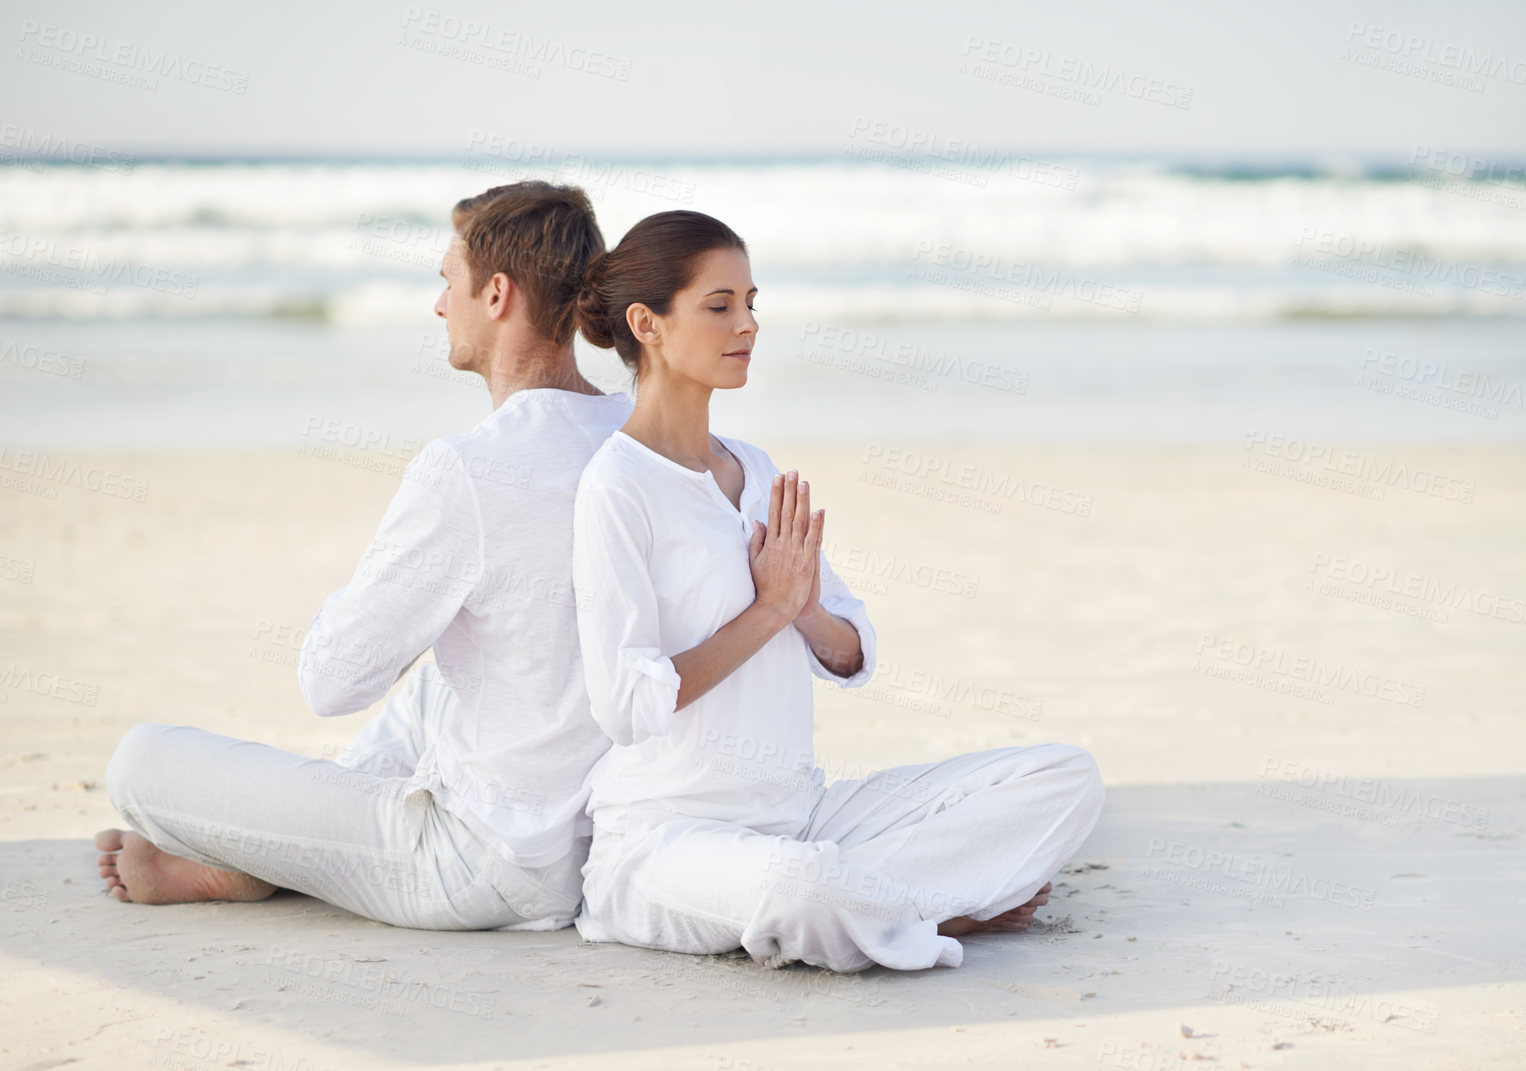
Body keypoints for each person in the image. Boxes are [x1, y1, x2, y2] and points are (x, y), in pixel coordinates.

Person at [570, 210, 1105, 972]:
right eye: (719, 306)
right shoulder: (616, 487)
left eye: (752, 302)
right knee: (802, 886)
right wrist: (770, 613)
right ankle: (935, 910)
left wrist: (807, 611)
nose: (747, 324)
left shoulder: (755, 470)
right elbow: (626, 706)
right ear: (646, 324)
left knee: (1064, 775)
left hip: (803, 815)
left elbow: (851, 651)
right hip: (672, 840)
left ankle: (875, 904)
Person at [94, 181, 632, 931]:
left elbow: (332, 681)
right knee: (444, 681)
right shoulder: (637, 432)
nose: (440, 304)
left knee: (138, 761)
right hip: (601, 846)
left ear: (498, 294)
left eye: (448, 282)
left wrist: (389, 593)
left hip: (482, 868)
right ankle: (267, 860)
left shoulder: (469, 467)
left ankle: (263, 862)